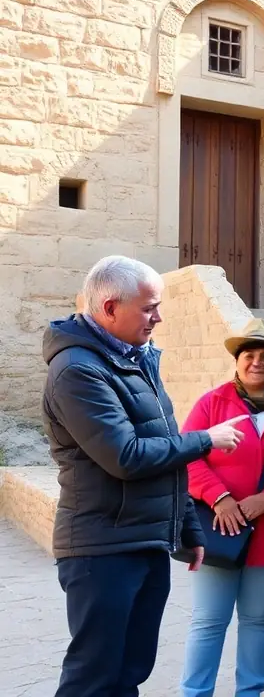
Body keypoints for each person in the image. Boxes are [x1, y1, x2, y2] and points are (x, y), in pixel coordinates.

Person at [41, 256, 245, 697]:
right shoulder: (78, 370)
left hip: (144, 541)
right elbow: (126, 456)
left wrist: (187, 527)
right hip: (103, 548)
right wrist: (205, 440)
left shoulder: (134, 358)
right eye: (149, 307)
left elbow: (163, 445)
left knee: (129, 672)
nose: (159, 317)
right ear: (110, 307)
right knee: (93, 677)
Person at [179, 319, 264, 697]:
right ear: (237, 359)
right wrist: (220, 497)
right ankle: (195, 693)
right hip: (218, 530)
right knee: (209, 621)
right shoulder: (212, 403)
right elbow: (187, 456)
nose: (256, 362)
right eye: (249, 354)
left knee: (257, 619)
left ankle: (250, 692)